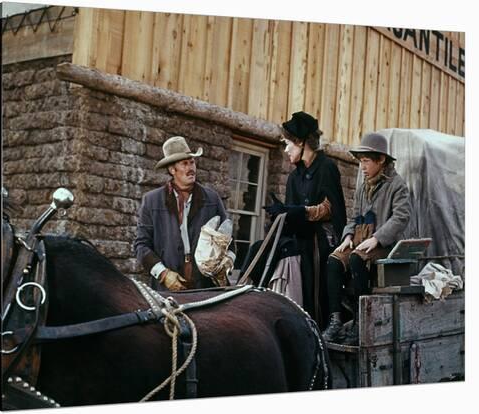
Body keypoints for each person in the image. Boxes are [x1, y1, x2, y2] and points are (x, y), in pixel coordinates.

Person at [243, 111, 346, 326]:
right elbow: (291, 213)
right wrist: (283, 214)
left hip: (320, 242)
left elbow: (330, 208)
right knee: (259, 249)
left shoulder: (326, 167)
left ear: (301, 142)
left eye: (287, 143)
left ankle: (317, 325)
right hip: (299, 236)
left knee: (311, 275)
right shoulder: (294, 176)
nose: (286, 149)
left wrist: (298, 211)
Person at [321, 132, 411, 344]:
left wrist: (378, 238)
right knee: (334, 260)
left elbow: (401, 217)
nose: (362, 166)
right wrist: (348, 235)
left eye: (366, 161)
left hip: (385, 244)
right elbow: (354, 216)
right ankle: (336, 320)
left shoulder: (397, 185)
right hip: (360, 239)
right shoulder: (363, 187)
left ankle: (361, 323)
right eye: (360, 161)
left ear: (381, 160)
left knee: (356, 259)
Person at [135, 136, 235, 291]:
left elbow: (229, 240)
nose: (191, 168)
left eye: (192, 162)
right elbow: (141, 246)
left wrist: (225, 264)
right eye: (185, 163)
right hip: (168, 288)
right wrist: (164, 274)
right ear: (172, 169)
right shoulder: (152, 201)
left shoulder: (211, 198)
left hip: (205, 285)